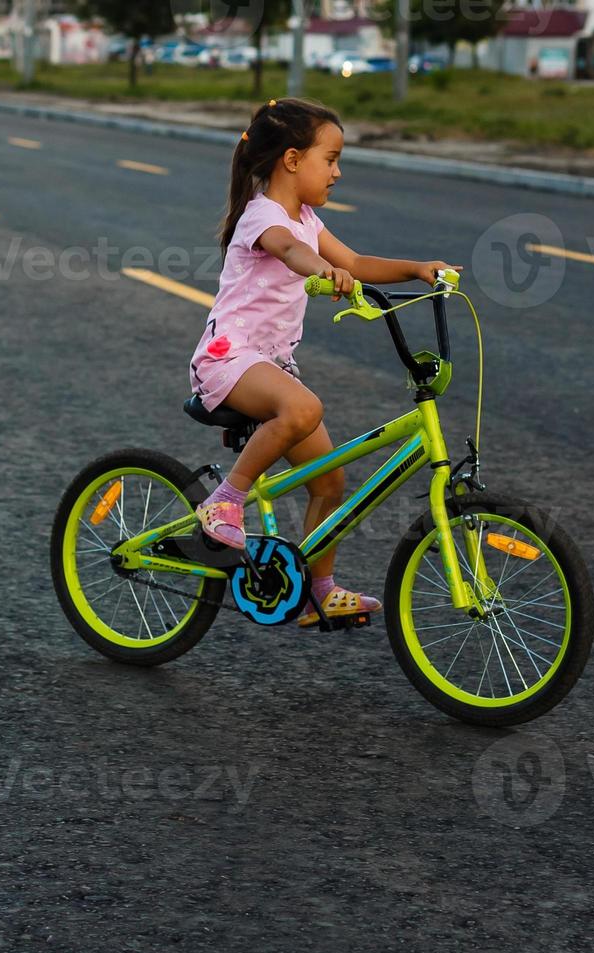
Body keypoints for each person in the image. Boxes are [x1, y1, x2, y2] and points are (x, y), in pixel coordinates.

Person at [188, 99, 459, 628]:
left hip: (271, 364)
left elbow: (355, 263)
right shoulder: (263, 215)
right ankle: (224, 500)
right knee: (304, 407)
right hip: (228, 358)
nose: (337, 172)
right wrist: (322, 271)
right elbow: (289, 251)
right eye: (329, 159)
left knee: (330, 483)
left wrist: (420, 269)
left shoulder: (309, 219)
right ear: (292, 159)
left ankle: (321, 591)